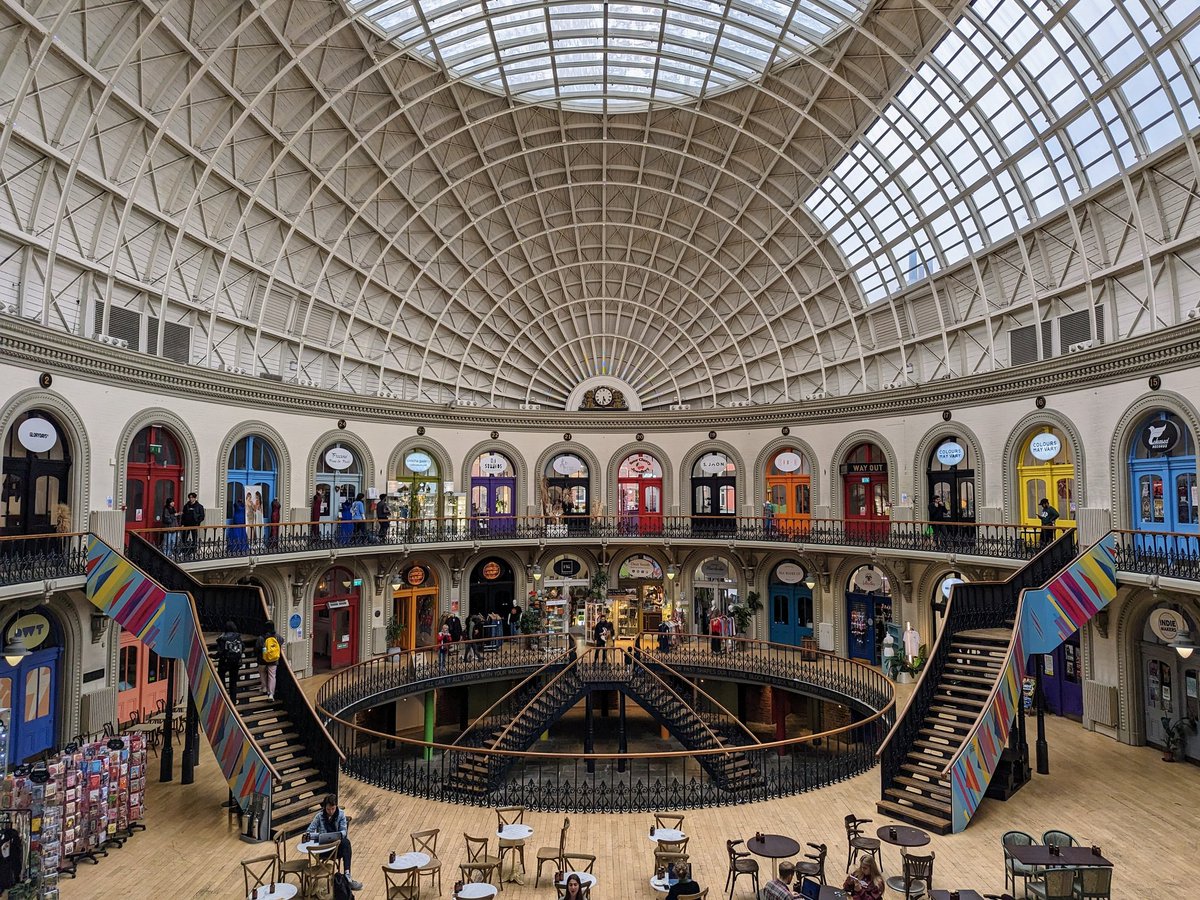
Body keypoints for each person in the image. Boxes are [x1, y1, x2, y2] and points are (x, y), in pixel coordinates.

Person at [306, 794, 362, 892]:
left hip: (336, 848)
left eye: (333, 808)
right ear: (324, 808)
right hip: (323, 850)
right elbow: (309, 831)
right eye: (328, 809)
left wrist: (338, 835)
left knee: (346, 843)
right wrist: (317, 836)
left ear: (336, 806)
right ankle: (347, 878)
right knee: (346, 844)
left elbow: (344, 831)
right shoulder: (319, 816)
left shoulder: (341, 814)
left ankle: (347, 875)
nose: (331, 811)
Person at [214, 620, 243, 706]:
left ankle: (224, 698)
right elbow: (243, 647)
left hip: (225, 662)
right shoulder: (238, 636)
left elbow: (220, 651)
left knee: (221, 678)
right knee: (233, 682)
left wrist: (213, 656)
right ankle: (233, 701)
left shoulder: (222, 638)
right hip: (236, 662)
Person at [257, 621, 280, 700]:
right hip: (274, 660)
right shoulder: (276, 636)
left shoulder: (261, 637)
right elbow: (281, 641)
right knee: (272, 676)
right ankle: (271, 694)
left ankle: (264, 687)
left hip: (262, 660)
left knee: (262, 671)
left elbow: (257, 648)